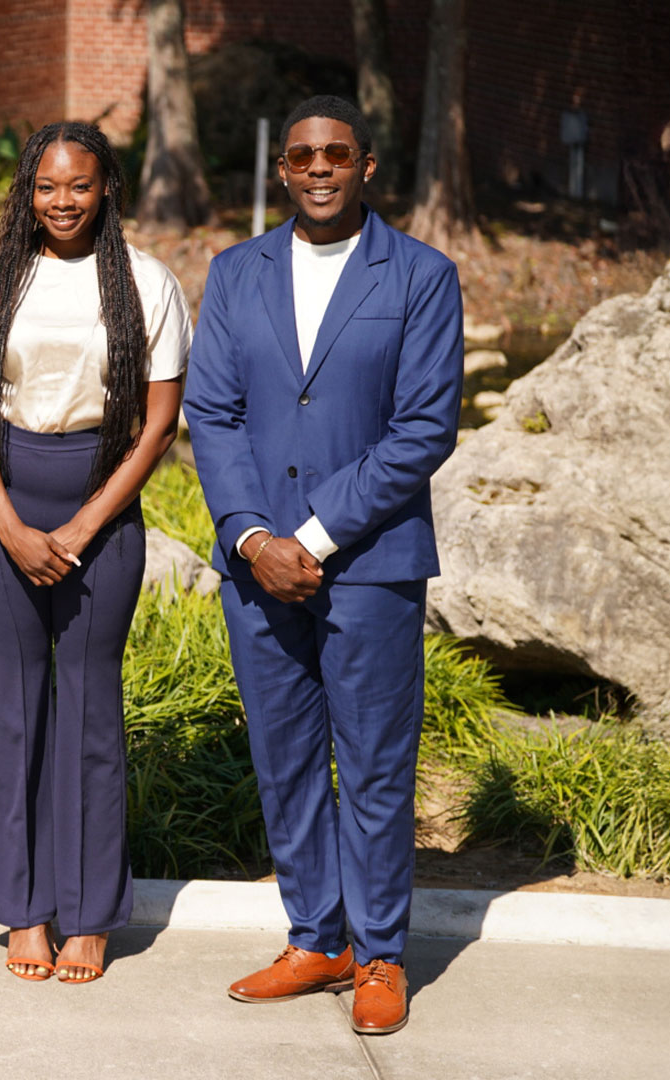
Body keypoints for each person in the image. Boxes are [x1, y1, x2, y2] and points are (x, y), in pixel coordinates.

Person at [184, 95, 463, 1035]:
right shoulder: (234, 273)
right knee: (287, 758)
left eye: (336, 154)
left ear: (367, 165)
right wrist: (254, 537)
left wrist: (316, 535)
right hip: (258, 566)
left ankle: (380, 951)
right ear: (282, 168)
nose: (317, 168)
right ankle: (317, 938)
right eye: (302, 155)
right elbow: (212, 415)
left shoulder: (421, 276)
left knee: (376, 766)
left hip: (373, 563)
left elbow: (424, 427)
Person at [0, 122, 189, 983]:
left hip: (102, 499)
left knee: (89, 710)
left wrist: (84, 528)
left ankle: (88, 911)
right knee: (14, 708)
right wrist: (6, 522)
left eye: (79, 185)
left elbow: (157, 423)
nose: (62, 201)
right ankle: (23, 910)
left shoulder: (146, 283)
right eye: (47, 186)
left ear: (107, 187)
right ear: (27, 191)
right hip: (5, 499)